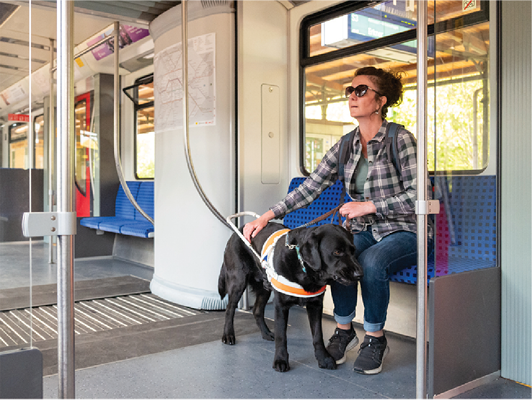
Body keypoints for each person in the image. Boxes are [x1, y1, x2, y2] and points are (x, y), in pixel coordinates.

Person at [243, 66, 432, 375]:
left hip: (405, 230)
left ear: (380, 100)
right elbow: (310, 187)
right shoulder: (346, 145)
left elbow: (419, 195)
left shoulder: (401, 140)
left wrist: (370, 205)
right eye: (350, 91)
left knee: (370, 263)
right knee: (338, 257)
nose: (352, 96)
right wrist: (268, 216)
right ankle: (344, 331)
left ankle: (375, 338)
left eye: (361, 91)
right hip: (364, 230)